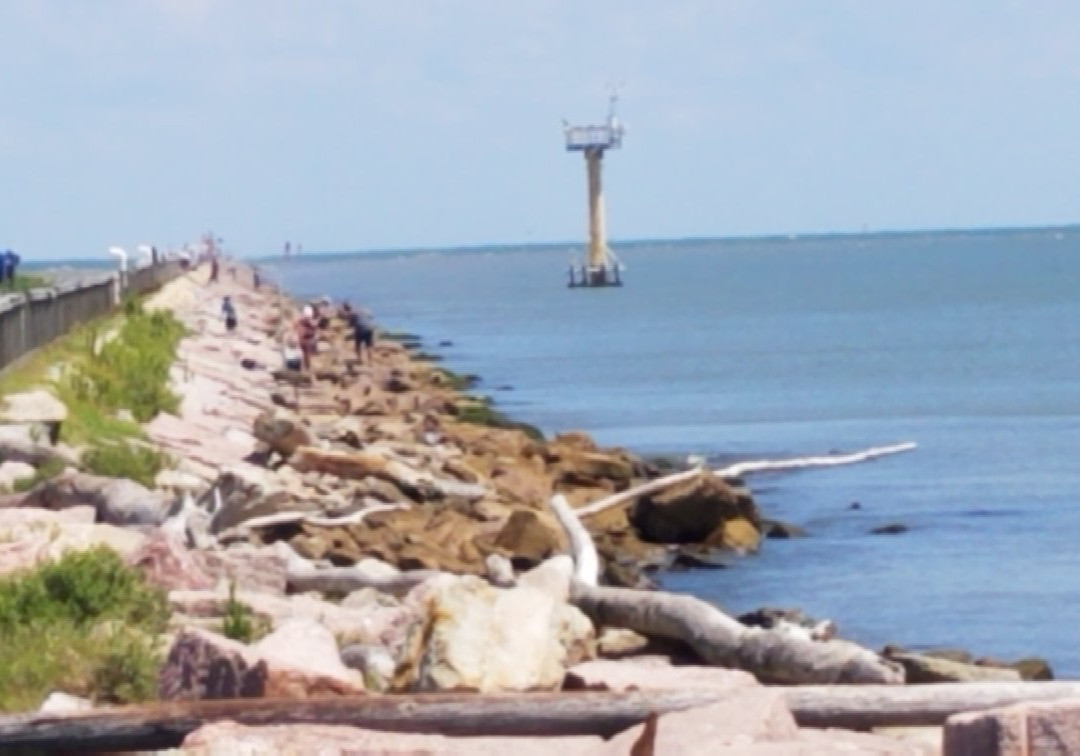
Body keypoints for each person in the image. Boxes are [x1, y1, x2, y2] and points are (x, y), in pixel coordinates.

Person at [295, 306, 317, 371]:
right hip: (302, 342)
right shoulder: (299, 321)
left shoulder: (311, 323)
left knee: (307, 357)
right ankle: (303, 370)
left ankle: (307, 369)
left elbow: (314, 333)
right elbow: (297, 333)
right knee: (302, 357)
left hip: (307, 342)